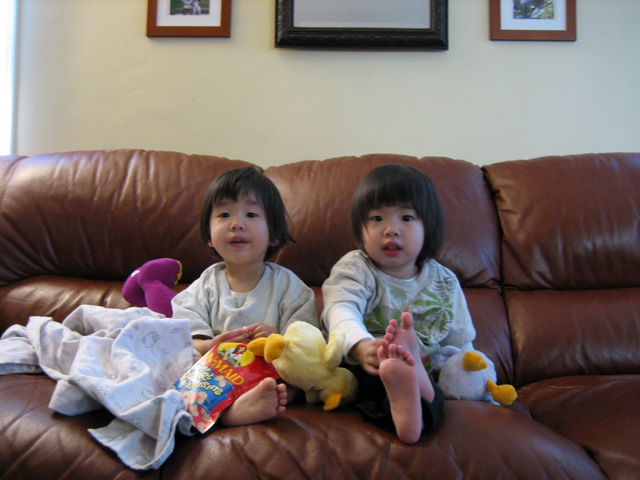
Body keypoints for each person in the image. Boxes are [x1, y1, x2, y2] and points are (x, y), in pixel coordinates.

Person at [321, 163, 476, 444]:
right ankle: (411, 389)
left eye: (406, 217)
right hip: (371, 365)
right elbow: (340, 309)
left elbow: (460, 344)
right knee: (373, 385)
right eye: (377, 218)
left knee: (437, 395)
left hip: (426, 371)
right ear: (359, 229)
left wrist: (472, 376)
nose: (391, 230)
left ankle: (417, 385)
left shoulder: (446, 282)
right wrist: (361, 345)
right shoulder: (355, 268)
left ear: (429, 226)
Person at [171, 166, 318, 427]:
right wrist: (211, 344)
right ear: (208, 234)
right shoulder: (205, 284)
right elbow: (186, 337)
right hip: (211, 378)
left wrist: (278, 343)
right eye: (224, 214)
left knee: (297, 383)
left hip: (265, 376)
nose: (236, 224)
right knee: (178, 362)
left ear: (273, 233)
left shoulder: (290, 288)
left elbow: (308, 345)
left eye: (251, 214)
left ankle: (252, 403)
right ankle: (231, 412)